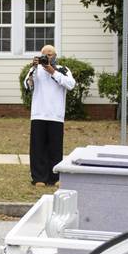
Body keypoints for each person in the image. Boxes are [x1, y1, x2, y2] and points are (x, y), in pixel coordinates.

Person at [23, 45, 76, 186]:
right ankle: (39, 178)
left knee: (55, 148)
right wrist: (34, 68)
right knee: (37, 148)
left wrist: (52, 71)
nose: (48, 57)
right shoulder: (35, 70)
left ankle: (55, 178)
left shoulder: (63, 69)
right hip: (38, 114)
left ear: (56, 55)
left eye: (51, 54)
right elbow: (27, 85)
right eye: (45, 54)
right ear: (40, 56)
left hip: (56, 115)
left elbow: (71, 84)